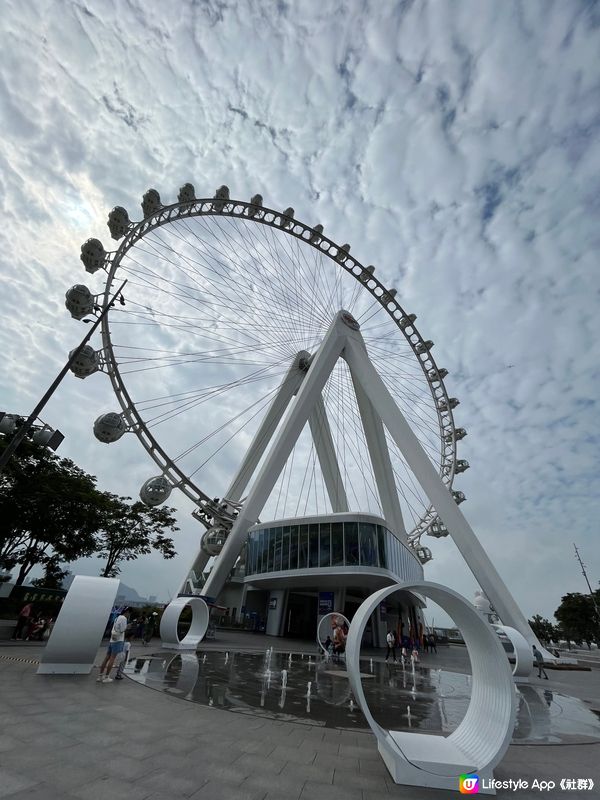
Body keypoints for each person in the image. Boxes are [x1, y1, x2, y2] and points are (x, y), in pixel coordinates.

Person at [97, 608, 129, 683]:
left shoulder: (117, 617)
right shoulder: (124, 618)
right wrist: (127, 627)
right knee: (112, 658)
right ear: (127, 612)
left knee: (106, 657)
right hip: (118, 640)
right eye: (129, 613)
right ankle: (107, 677)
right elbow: (122, 629)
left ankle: (100, 676)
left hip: (112, 639)